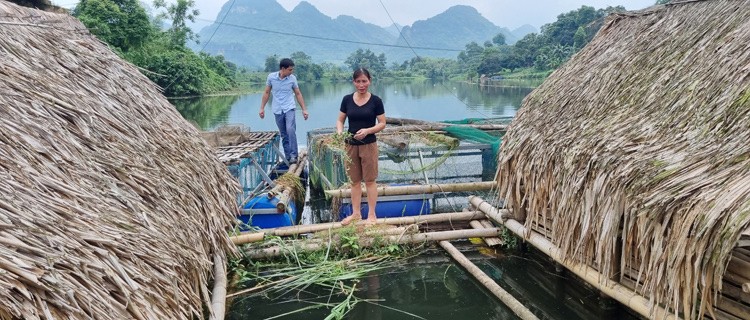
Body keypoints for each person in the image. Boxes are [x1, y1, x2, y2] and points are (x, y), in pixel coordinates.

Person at [336, 68, 386, 225]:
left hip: (369, 145)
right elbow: (340, 121)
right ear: (353, 82)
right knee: (354, 181)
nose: (361, 84)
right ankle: (356, 214)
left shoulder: (376, 101)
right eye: (358, 81)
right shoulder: (347, 99)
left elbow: (382, 123)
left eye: (364, 81)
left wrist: (367, 131)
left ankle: (372, 214)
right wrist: (340, 133)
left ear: (369, 81)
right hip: (350, 145)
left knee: (370, 181)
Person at [259, 58, 309, 164]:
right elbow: (267, 92)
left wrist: (304, 109)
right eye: (290, 70)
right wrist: (262, 108)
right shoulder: (271, 77)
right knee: (283, 134)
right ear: (283, 69)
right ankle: (288, 157)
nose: (292, 72)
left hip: (289, 107)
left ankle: (294, 155)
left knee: (290, 129)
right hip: (277, 109)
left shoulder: (292, 79)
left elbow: (298, 93)